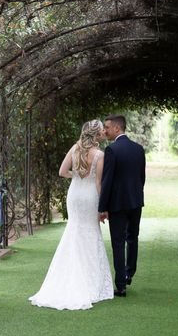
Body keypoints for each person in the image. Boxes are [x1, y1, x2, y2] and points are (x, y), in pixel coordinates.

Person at [29, 120, 114, 310]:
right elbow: (99, 183)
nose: (103, 133)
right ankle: (90, 282)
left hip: (75, 194)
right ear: (96, 135)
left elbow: (62, 171)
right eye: (101, 131)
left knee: (73, 230)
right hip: (90, 194)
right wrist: (103, 207)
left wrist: (75, 175)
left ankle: (68, 276)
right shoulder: (100, 155)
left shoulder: (75, 148)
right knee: (91, 232)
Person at [98, 114, 146, 297]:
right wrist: (136, 196)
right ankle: (128, 273)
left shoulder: (112, 150)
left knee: (118, 243)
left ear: (117, 128)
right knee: (133, 238)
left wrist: (102, 207)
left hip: (117, 204)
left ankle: (121, 286)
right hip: (135, 202)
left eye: (107, 127)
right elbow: (141, 178)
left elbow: (107, 181)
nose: (105, 131)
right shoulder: (139, 149)